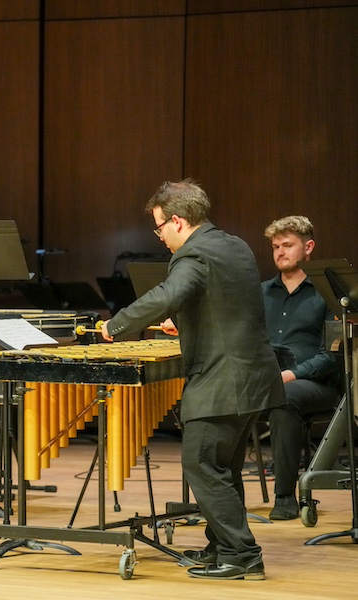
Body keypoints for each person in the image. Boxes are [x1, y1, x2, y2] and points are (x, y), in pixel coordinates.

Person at [101, 179, 283, 580]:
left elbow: (167, 294)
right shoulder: (234, 244)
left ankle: (242, 554)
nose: (160, 236)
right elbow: (225, 304)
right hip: (254, 377)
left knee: (200, 463)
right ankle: (221, 546)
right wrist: (183, 322)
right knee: (224, 468)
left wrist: (117, 325)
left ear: (179, 221)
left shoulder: (193, 255)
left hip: (224, 379)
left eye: (160, 227)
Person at [261, 216, 340, 520]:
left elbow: (331, 355)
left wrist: (289, 374)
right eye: (275, 246)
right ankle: (222, 499)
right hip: (268, 379)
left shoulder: (328, 293)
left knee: (285, 397)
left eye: (287, 245)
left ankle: (285, 498)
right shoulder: (261, 292)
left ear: (308, 248)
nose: (280, 252)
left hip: (316, 383)